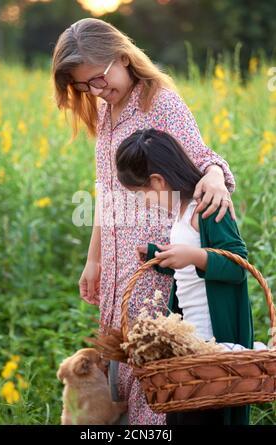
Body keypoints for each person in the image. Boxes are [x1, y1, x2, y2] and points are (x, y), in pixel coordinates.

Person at [52, 17, 236, 425]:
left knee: (151, 377)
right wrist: (94, 259)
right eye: (86, 86)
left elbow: (202, 158)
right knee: (120, 370)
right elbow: (105, 190)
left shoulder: (160, 102)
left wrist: (214, 176)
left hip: (155, 265)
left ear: (121, 57)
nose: (97, 91)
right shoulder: (106, 112)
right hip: (118, 270)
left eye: (100, 79)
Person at [115, 127, 254, 425]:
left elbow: (238, 265)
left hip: (216, 344)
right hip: (190, 344)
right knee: (181, 414)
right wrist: (160, 257)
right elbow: (192, 270)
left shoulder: (207, 207)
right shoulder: (180, 213)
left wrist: (191, 256)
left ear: (158, 181)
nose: (145, 202)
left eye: (142, 194)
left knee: (209, 416)